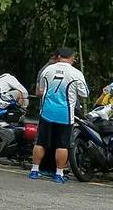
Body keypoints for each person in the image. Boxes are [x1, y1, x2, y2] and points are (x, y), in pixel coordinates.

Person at [29, 46, 89, 184]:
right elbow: (84, 93)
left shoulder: (47, 70)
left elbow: (41, 89)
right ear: (72, 58)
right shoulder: (76, 73)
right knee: (62, 145)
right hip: (65, 114)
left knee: (41, 142)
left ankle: (34, 170)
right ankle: (59, 173)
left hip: (46, 111)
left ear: (58, 57)